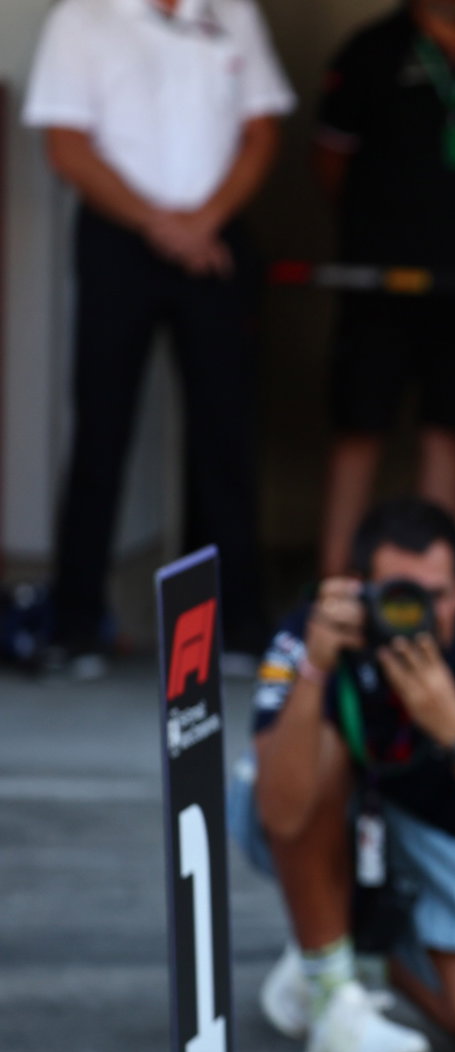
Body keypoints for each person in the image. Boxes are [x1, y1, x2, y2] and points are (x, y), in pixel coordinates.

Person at [231, 498, 455, 1052]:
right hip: (325, 823)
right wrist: (315, 670)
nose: (419, 616)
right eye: (400, 598)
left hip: (438, 829)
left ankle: (346, 949)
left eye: (437, 597)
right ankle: (333, 994)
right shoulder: (315, 630)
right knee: (320, 746)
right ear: (359, 590)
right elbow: (279, 812)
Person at [22, 0, 294, 677]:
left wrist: (205, 221)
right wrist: (161, 225)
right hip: (120, 238)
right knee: (100, 427)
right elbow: (67, 147)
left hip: (216, 236)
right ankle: (77, 623)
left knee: (225, 431)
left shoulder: (232, 13)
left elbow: (261, 130)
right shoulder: (81, 18)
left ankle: (237, 626)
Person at [313, 0, 455, 576]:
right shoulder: (370, 49)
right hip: (379, 275)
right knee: (360, 425)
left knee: (450, 429)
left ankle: (436, 590)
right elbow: (331, 159)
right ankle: (335, 584)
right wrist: (372, 230)